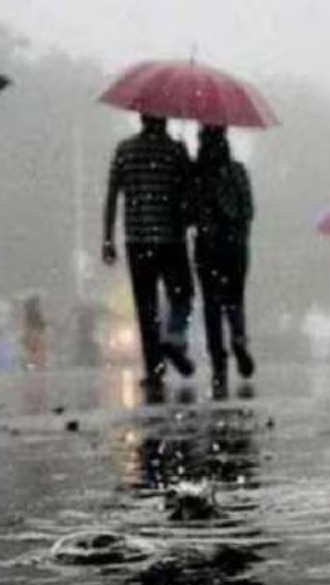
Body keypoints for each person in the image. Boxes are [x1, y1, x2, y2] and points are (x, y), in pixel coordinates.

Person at [102, 113, 194, 391]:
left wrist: (108, 238)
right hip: (171, 239)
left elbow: (112, 195)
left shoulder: (125, 150)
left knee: (146, 307)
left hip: (138, 240)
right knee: (182, 293)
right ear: (164, 120)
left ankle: (154, 369)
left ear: (142, 118)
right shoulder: (175, 151)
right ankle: (174, 338)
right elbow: (189, 193)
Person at [191, 125, 255, 398]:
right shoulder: (237, 171)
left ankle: (218, 360)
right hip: (235, 246)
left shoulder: (198, 175)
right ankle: (239, 339)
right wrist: (239, 233)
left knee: (212, 305)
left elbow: (188, 213)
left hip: (207, 247)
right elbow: (248, 209)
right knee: (235, 299)